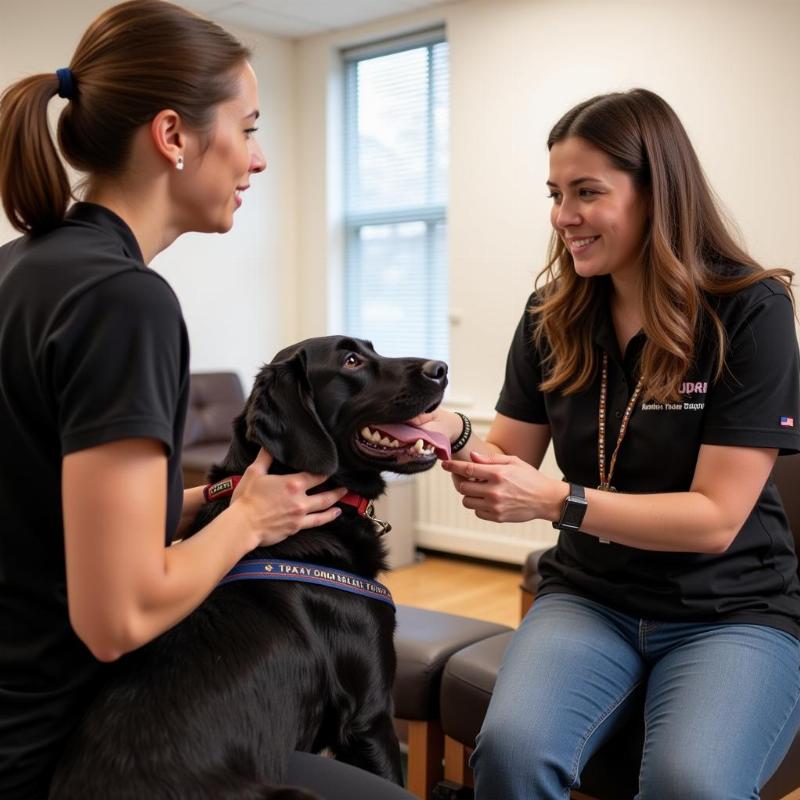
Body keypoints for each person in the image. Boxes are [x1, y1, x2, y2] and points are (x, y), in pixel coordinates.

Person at [0, 3, 413, 799]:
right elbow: (115, 619)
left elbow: (39, 509)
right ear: (173, 136)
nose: (257, 160)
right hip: (58, 752)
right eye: (248, 127)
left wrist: (206, 502)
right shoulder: (125, 299)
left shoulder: (28, 267)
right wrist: (249, 523)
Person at [420, 88, 800, 798]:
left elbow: (716, 519)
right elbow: (509, 464)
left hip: (731, 613)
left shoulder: (750, 311)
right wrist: (441, 431)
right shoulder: (552, 314)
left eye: (587, 192)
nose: (564, 216)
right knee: (509, 751)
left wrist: (558, 502)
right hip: (590, 598)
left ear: (658, 192)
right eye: (555, 193)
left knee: (692, 784)